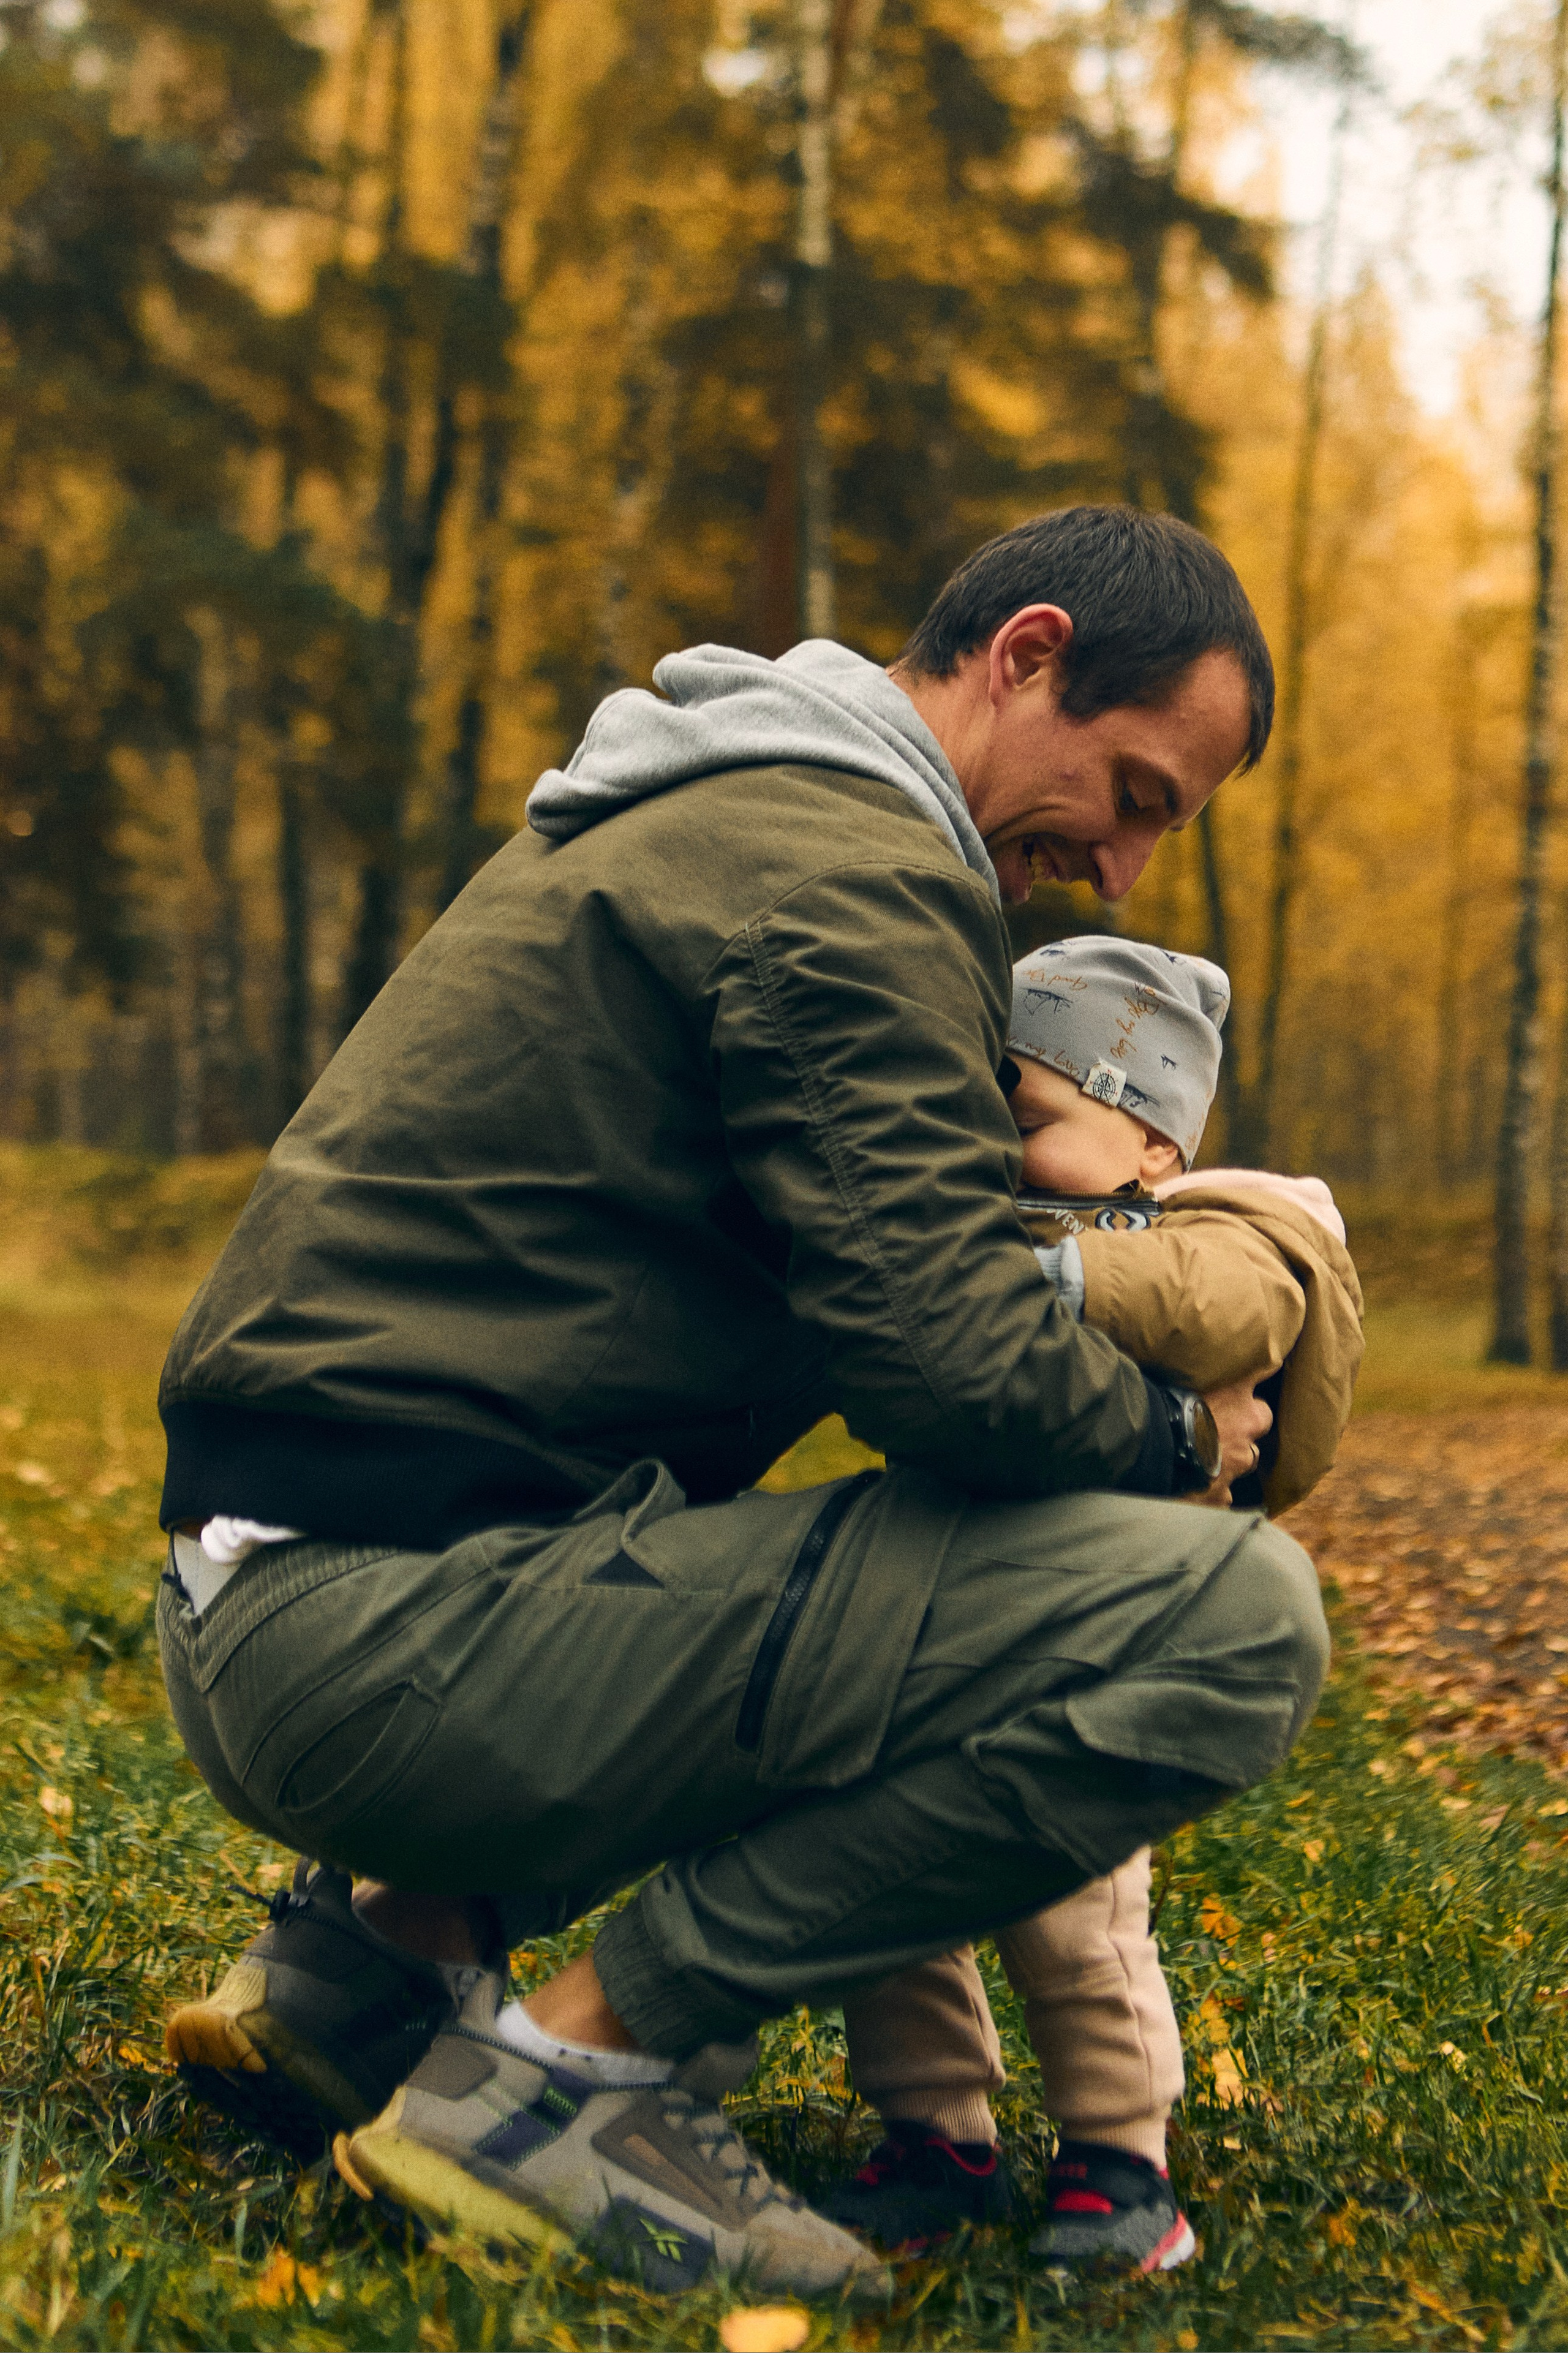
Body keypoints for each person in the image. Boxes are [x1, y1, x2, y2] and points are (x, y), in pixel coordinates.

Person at [156, 505, 1325, 2295]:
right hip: (378, 1643)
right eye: (1137, 793)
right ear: (1027, 657)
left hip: (283, 1591)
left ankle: (370, 1970)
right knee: (1233, 1619)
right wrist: (1181, 1438)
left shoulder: (725, 802)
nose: (1123, 869)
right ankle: (570, 2081)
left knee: (845, 1584)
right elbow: (945, 1359)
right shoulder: (854, 876)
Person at [819, 937, 1362, 2268]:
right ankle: (934, 2133)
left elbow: (1225, 1310)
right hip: (935, 1626)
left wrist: (1043, 1278)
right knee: (881, 1886)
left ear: (1151, 1142)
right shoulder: (990, 1223)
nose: (997, 1155)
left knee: (1074, 1914)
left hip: (1096, 1661)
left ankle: (1122, 2162)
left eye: (1026, 1124)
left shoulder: (1223, 1230)